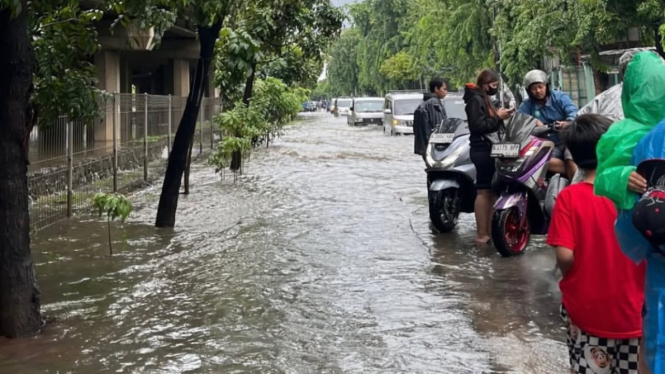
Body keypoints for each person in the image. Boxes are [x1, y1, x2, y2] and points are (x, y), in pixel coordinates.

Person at [548, 113, 645, 374]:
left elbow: (565, 257)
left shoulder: (569, 198)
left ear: (575, 156)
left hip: (587, 313)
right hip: (634, 313)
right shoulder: (635, 197)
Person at [596, 51, 665, 374]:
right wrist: (624, 179)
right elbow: (606, 177)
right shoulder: (626, 134)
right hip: (647, 246)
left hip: (646, 247)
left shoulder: (630, 134)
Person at [464, 69, 514, 244]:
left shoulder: (483, 99)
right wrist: (498, 117)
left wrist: (500, 116)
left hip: (489, 148)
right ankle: (481, 234)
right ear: (485, 84)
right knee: (484, 190)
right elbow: (478, 125)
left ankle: (490, 232)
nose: (495, 88)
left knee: (492, 191)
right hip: (482, 149)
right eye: (493, 85)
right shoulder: (475, 100)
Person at [518, 70, 579, 180]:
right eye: (533, 89)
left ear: (546, 86)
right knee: (540, 161)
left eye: (540, 87)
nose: (538, 91)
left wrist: (567, 122)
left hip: (567, 139)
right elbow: (519, 120)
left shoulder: (560, 97)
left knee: (570, 159)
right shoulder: (527, 105)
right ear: (529, 91)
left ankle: (578, 187)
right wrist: (533, 120)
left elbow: (573, 112)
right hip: (546, 144)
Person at [414, 77, 449, 159]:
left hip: (425, 147)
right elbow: (439, 126)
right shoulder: (434, 103)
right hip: (433, 148)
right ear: (436, 89)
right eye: (444, 89)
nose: (446, 92)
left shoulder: (425, 103)